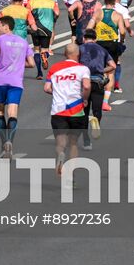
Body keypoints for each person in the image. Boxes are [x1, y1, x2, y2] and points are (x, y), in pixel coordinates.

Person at [43, 43, 91, 175]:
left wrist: (58, 92)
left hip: (58, 110)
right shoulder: (83, 69)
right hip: (76, 110)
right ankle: (71, 174)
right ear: (78, 55)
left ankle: (60, 155)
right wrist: (85, 99)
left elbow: (46, 88)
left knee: (60, 141)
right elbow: (86, 86)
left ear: (64, 54)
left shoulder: (54, 68)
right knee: (74, 143)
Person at [0, 15, 31, 156]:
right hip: (16, 82)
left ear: (7, 27)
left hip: (0, 81)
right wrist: (18, 63)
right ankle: (10, 142)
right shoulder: (23, 42)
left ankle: (3, 144)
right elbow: (31, 63)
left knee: (0, 112)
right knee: (12, 113)